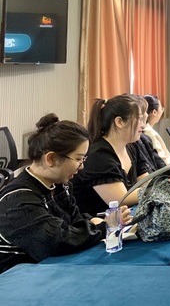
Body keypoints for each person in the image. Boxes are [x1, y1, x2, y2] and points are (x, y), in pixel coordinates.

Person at [0, 114, 131, 274]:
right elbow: (56, 241)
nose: (82, 167)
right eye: (78, 159)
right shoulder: (18, 200)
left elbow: (75, 220)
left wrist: (94, 222)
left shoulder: (59, 185)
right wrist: (104, 226)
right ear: (51, 159)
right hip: (16, 278)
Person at [72, 94, 170, 217]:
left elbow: (145, 182)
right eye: (140, 119)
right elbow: (122, 199)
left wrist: (167, 180)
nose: (143, 125)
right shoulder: (98, 155)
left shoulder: (132, 146)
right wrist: (159, 188)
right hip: (100, 224)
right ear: (119, 122)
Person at [141, 94, 170, 166]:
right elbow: (164, 161)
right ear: (154, 112)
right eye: (161, 108)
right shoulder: (149, 132)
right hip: (169, 170)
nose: (162, 111)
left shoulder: (146, 130)